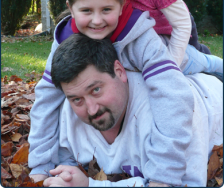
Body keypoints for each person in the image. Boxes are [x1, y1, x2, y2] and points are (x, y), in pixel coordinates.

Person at [28, 0, 223, 186]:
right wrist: (40, 165)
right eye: (86, 11)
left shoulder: (140, 36)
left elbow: (173, 94)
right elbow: (45, 100)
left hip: (177, 57)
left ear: (122, 5)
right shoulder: (65, 38)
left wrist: (164, 175)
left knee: (200, 62)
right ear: (71, 9)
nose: (97, 20)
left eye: (106, 10)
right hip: (115, 64)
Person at [43, 35, 223, 187]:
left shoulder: (172, 115)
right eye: (77, 99)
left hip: (213, 88)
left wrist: (91, 185)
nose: (92, 109)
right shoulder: (68, 113)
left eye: (96, 90)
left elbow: (183, 184)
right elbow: (65, 165)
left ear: (119, 71)